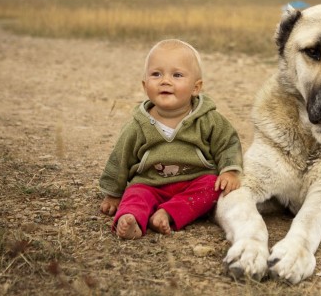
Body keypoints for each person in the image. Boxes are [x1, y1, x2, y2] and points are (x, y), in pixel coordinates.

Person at [98, 39, 242, 239]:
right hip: (150, 184)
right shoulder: (138, 125)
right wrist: (113, 194)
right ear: (144, 85)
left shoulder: (208, 119)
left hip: (194, 181)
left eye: (177, 75)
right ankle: (131, 220)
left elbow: (228, 143)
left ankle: (166, 214)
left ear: (196, 87)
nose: (165, 81)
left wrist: (230, 171)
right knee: (135, 194)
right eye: (156, 74)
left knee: (212, 186)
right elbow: (120, 157)